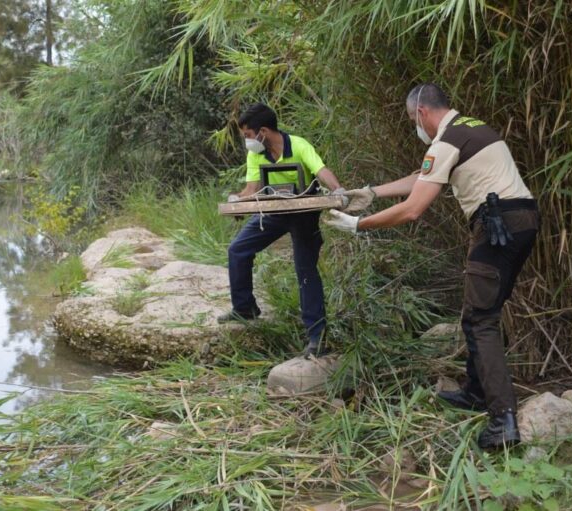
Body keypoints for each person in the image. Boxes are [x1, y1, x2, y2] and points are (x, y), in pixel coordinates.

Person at [325, 83, 539, 449]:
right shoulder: (469, 128)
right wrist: (373, 192)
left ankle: (503, 420)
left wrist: (359, 225)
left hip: (496, 227)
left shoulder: (446, 140)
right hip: (521, 221)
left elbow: (413, 208)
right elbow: (423, 177)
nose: (414, 126)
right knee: (480, 311)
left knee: (480, 321)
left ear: (422, 112)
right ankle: (475, 392)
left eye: (412, 119)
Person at [218, 102, 347, 358]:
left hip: (304, 214)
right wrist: (238, 202)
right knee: (238, 250)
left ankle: (316, 336)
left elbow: (321, 170)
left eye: (248, 135)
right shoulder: (256, 154)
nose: (247, 142)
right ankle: (245, 308)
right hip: (273, 212)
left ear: (263, 131)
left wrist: (338, 189)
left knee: (305, 269)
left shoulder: (299, 145)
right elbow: (252, 189)